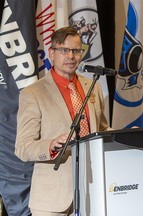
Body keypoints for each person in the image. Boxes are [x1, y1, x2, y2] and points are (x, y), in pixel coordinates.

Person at [15, 26, 110, 215]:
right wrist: (50, 145)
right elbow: (22, 147)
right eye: (64, 50)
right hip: (52, 199)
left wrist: (125, 136)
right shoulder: (33, 93)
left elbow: (101, 130)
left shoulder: (93, 87)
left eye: (76, 51)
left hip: (92, 192)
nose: (71, 56)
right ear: (52, 53)